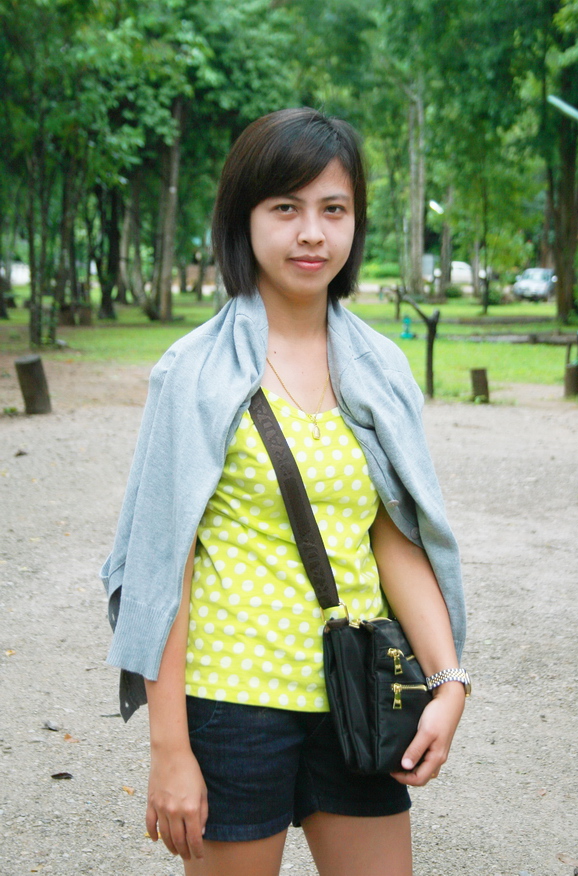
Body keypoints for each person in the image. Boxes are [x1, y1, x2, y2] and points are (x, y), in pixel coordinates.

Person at [101, 107, 468, 876]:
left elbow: (393, 537)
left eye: (333, 209)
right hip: (233, 702)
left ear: (355, 223)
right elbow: (165, 566)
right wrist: (170, 749)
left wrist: (448, 679)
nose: (311, 234)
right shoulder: (194, 374)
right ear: (245, 218)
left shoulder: (379, 370)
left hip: (357, 690)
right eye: (285, 208)